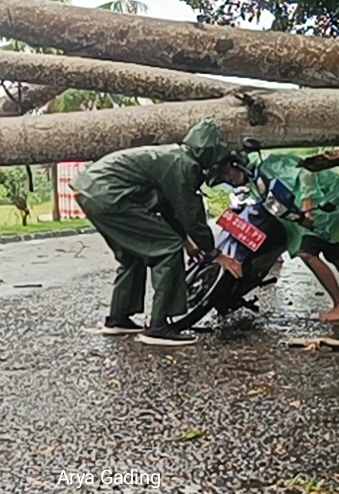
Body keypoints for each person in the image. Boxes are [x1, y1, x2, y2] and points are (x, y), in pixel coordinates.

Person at [71, 120, 245, 347]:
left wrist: (187, 243)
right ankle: (159, 327)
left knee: (132, 253)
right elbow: (192, 216)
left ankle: (118, 318)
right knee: (167, 249)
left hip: (92, 190)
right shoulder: (185, 165)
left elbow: (169, 208)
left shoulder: (174, 157)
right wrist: (214, 253)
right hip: (111, 195)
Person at [261, 155, 339, 322]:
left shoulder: (273, 164)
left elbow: (306, 172)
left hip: (327, 198)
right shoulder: (256, 179)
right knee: (333, 252)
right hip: (328, 199)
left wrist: (307, 205)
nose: (228, 179)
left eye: (227, 174)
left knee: (307, 253)